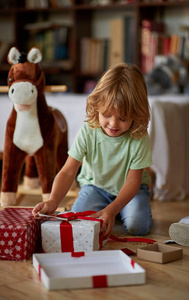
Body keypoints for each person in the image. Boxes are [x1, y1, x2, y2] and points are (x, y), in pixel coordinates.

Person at [32, 63, 153, 239]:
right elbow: (67, 171)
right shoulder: (89, 130)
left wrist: (112, 210)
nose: (113, 124)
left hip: (131, 191)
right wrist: (53, 201)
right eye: (106, 115)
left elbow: (133, 182)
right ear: (97, 107)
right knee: (79, 219)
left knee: (138, 226)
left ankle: (116, 211)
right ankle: (114, 212)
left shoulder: (139, 136)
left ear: (136, 114)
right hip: (95, 187)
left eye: (123, 118)